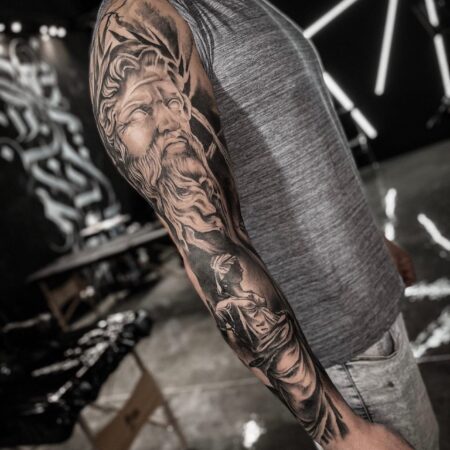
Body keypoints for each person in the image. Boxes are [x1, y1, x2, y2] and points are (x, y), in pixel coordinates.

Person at [89, 0, 439, 448]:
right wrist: (342, 432)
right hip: (343, 353)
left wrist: (369, 240)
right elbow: (209, 248)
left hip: (370, 309)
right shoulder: (141, 23)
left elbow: (298, 141)